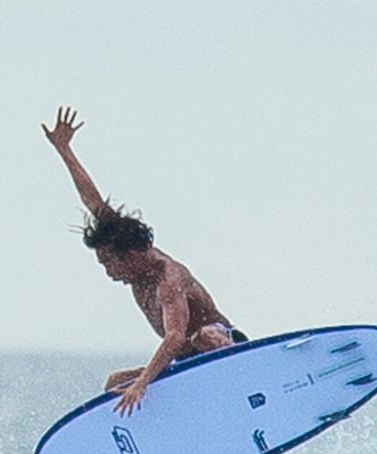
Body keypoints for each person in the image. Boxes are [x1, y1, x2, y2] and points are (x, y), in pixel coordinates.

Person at [42, 110, 241, 411]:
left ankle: (239, 377)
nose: (109, 273)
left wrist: (144, 382)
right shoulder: (119, 237)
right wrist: (64, 149)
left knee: (204, 337)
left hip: (223, 346)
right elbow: (92, 200)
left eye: (111, 264)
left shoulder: (168, 279)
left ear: (132, 255)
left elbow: (174, 336)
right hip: (186, 363)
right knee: (115, 383)